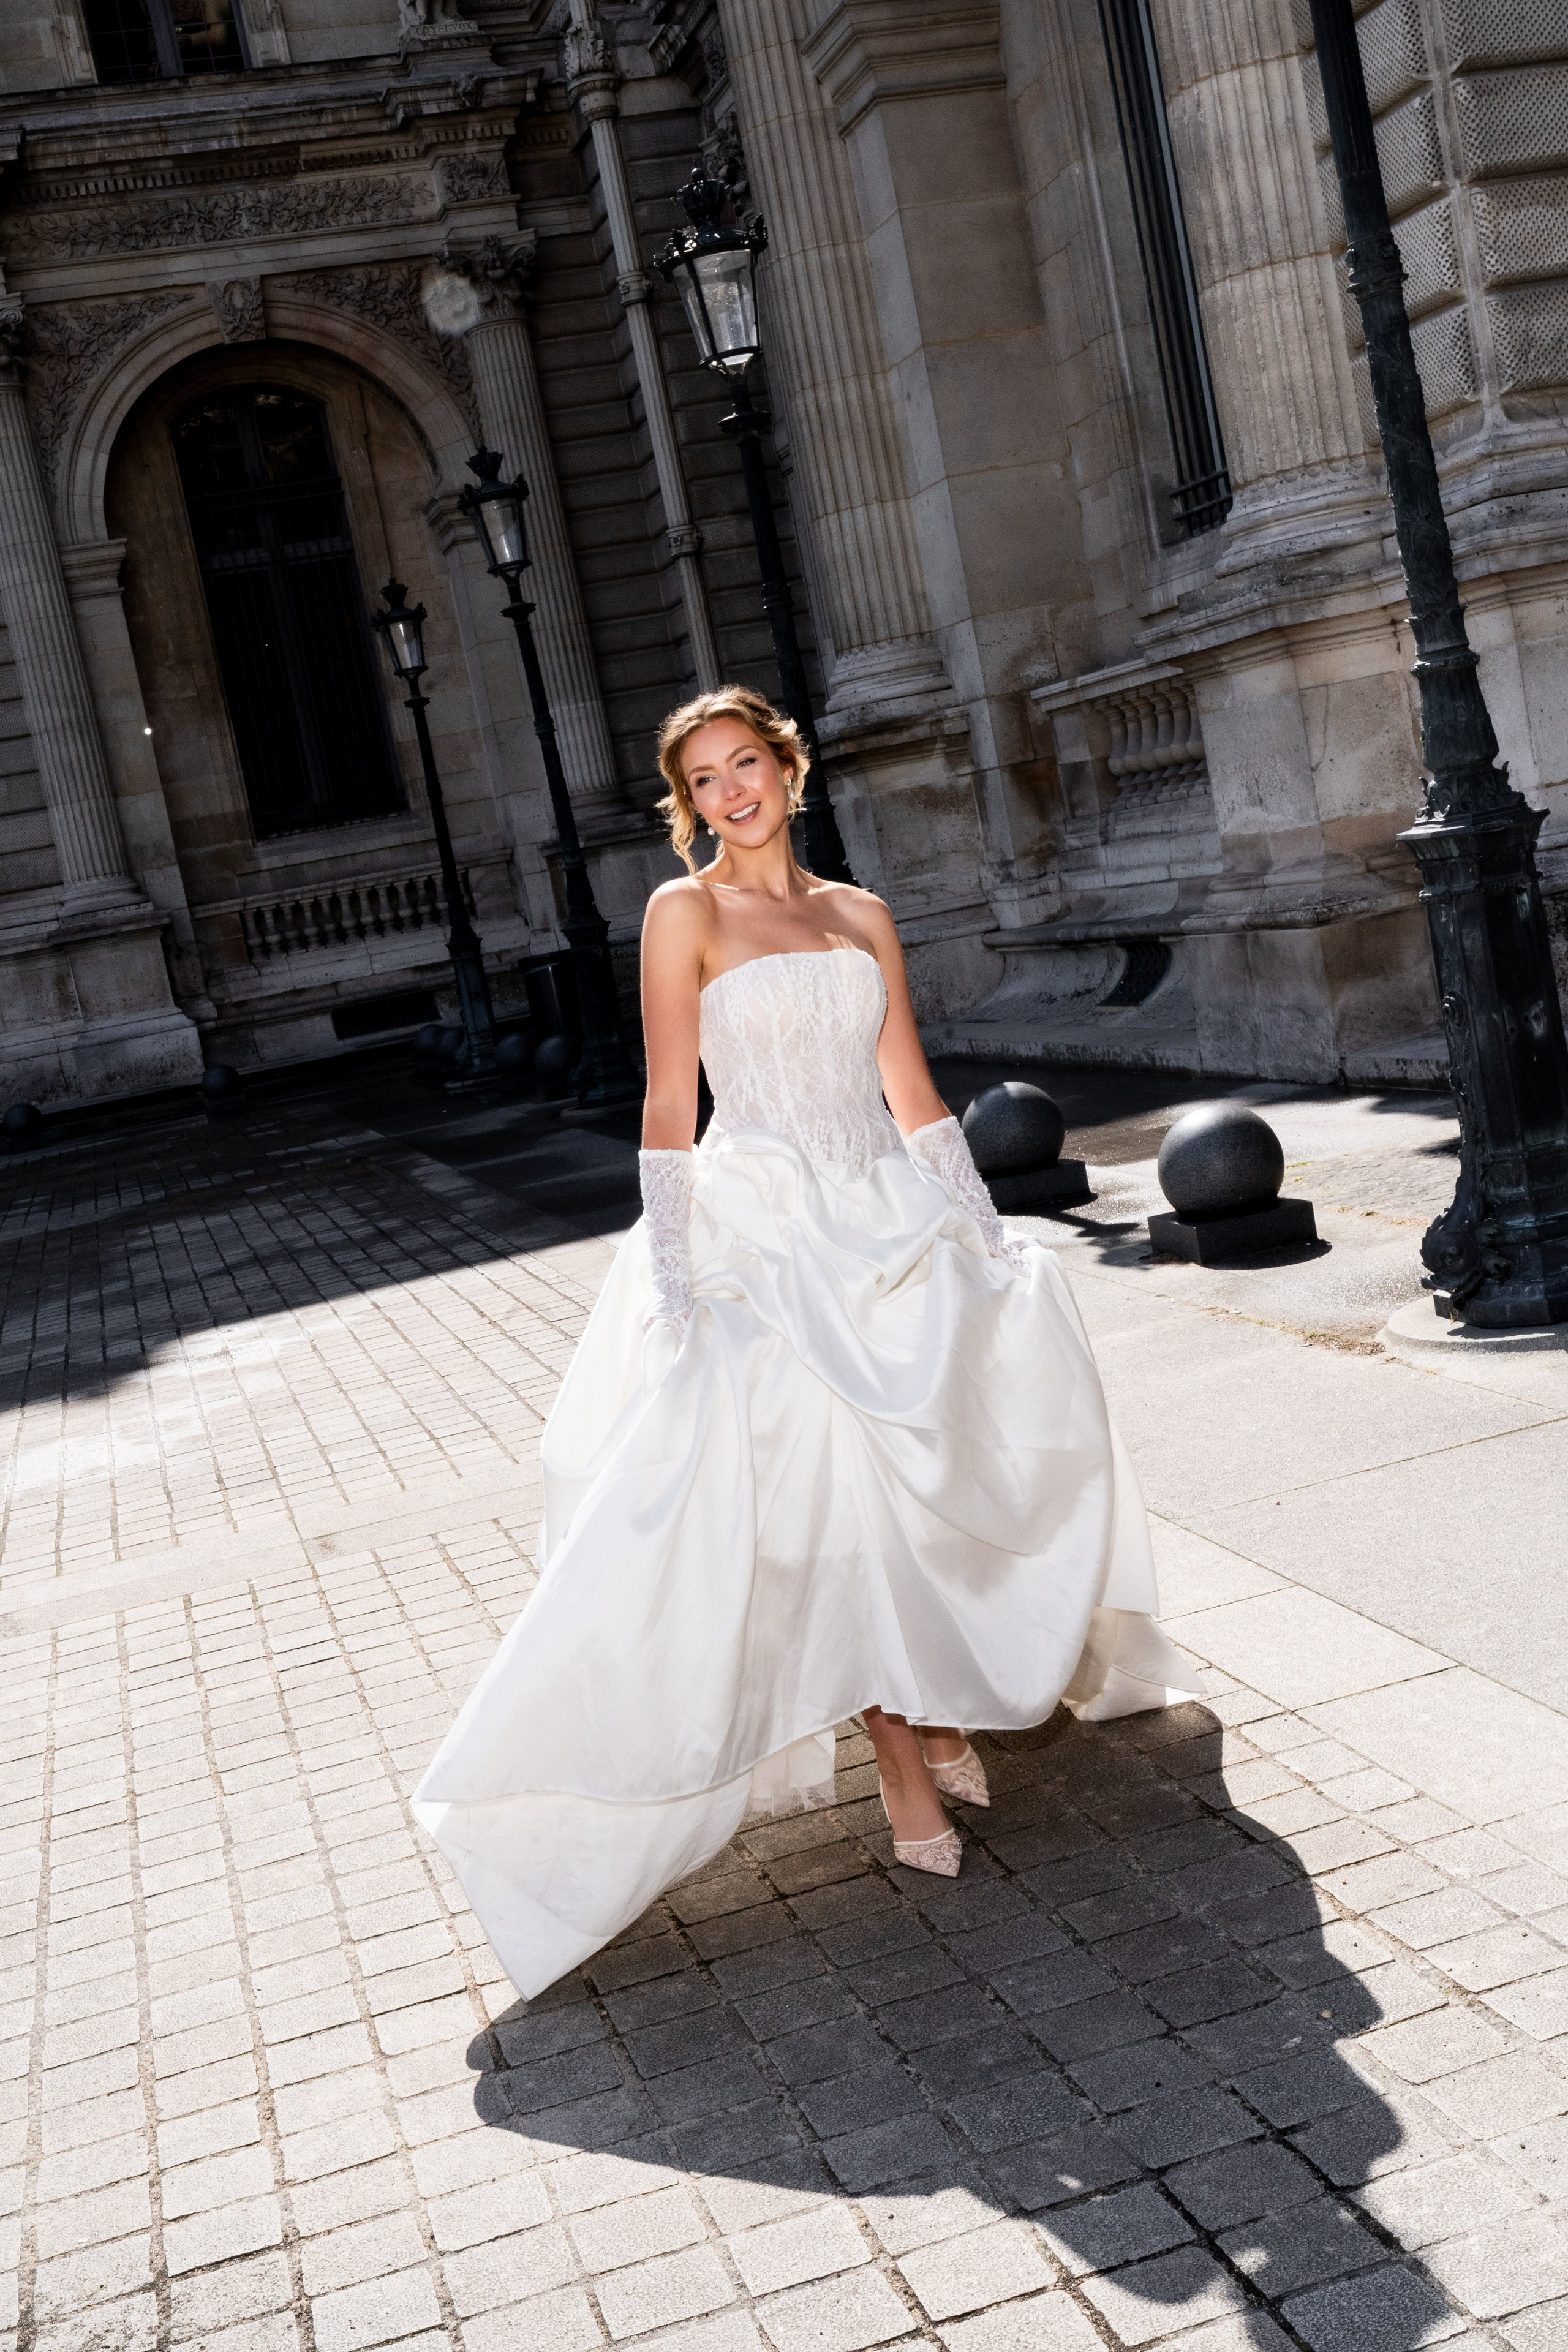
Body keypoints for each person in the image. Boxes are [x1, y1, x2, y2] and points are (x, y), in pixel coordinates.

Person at [415, 686, 1189, 1999]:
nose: (732, 792)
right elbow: (668, 1100)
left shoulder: (858, 917)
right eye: (704, 779)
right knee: (821, 1500)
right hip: (759, 1233)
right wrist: (672, 1276)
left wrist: (981, 1232)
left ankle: (934, 1704)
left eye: (746, 765)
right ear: (689, 803)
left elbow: (910, 1093)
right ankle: (899, 1754)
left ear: (789, 766)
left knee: (921, 1478)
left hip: (878, 1215)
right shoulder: (684, 915)